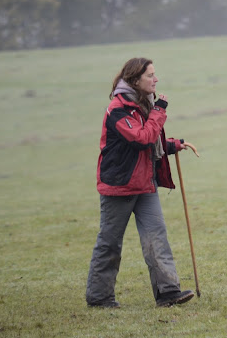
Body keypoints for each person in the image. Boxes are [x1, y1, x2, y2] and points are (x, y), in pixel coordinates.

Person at [86, 57, 194, 308]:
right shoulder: (118, 109)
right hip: (120, 186)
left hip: (145, 184)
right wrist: (160, 110)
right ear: (135, 80)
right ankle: (99, 298)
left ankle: (168, 292)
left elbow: (150, 144)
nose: (156, 79)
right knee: (110, 242)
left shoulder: (142, 105)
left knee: (156, 237)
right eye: (150, 75)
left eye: (155, 74)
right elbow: (141, 139)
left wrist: (173, 146)